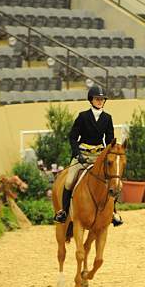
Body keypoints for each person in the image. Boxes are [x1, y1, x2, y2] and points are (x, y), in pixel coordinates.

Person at [54, 85, 123, 226]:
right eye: (97, 99)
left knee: (115, 182)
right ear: (91, 100)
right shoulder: (83, 117)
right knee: (69, 181)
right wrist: (77, 154)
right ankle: (64, 211)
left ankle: (113, 212)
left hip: (99, 156)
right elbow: (73, 137)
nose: (100, 101)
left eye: (102, 99)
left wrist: (111, 154)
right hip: (83, 155)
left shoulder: (107, 118)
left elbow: (110, 140)